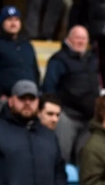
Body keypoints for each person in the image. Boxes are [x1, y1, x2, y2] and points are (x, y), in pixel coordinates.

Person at [42, 25, 99, 164]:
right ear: (68, 39)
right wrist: (57, 112)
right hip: (67, 116)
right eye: (77, 38)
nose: (81, 41)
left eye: (84, 38)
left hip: (88, 118)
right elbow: (49, 88)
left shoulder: (92, 59)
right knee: (62, 157)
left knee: (85, 159)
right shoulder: (58, 60)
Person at [0, 6, 40, 118]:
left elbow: (35, 71)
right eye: (9, 20)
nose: (13, 23)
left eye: (16, 20)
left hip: (28, 101)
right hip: (4, 101)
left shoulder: (27, 45)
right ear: (2, 22)